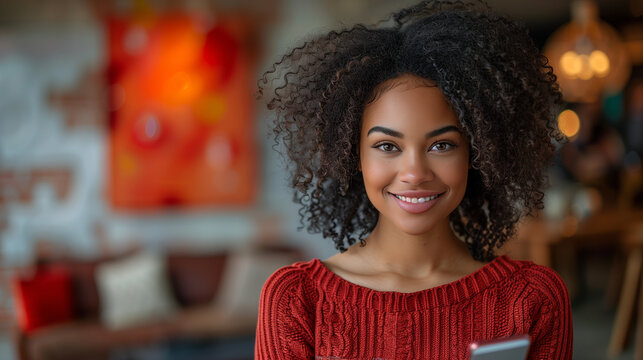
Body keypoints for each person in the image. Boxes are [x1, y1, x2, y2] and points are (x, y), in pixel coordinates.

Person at [255, 1, 573, 359]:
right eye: (387, 146)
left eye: (441, 145)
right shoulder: (297, 299)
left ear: (477, 153)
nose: (415, 173)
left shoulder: (532, 298)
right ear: (354, 155)